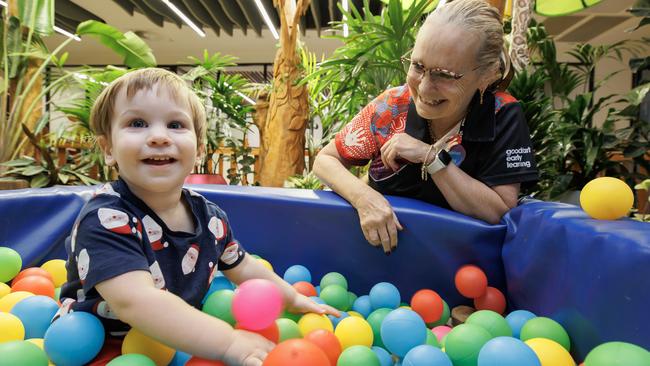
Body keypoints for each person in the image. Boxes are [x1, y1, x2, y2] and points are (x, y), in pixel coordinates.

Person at [59, 68, 338, 365]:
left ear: (199, 150)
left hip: (184, 339)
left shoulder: (210, 217)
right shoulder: (106, 218)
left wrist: (291, 297)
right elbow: (136, 302)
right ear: (108, 149)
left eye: (176, 124)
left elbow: (243, 268)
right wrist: (230, 343)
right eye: (137, 123)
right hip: (98, 344)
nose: (158, 136)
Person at [313, 0, 538, 255]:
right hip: (378, 254)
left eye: (445, 75)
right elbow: (326, 160)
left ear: (487, 75)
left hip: (457, 264)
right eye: (418, 66)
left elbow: (498, 210)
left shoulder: (503, 114)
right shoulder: (391, 106)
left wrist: (430, 157)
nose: (424, 88)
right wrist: (365, 198)